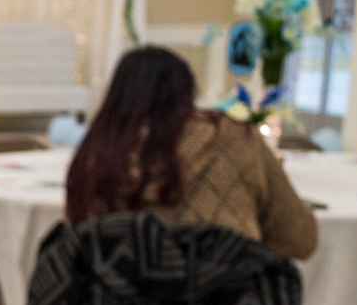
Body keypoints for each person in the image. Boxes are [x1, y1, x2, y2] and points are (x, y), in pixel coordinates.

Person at [64, 46, 318, 260]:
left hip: (121, 302)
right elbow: (300, 240)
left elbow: (76, 248)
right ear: (187, 91)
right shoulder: (233, 137)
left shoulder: (95, 155)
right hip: (228, 297)